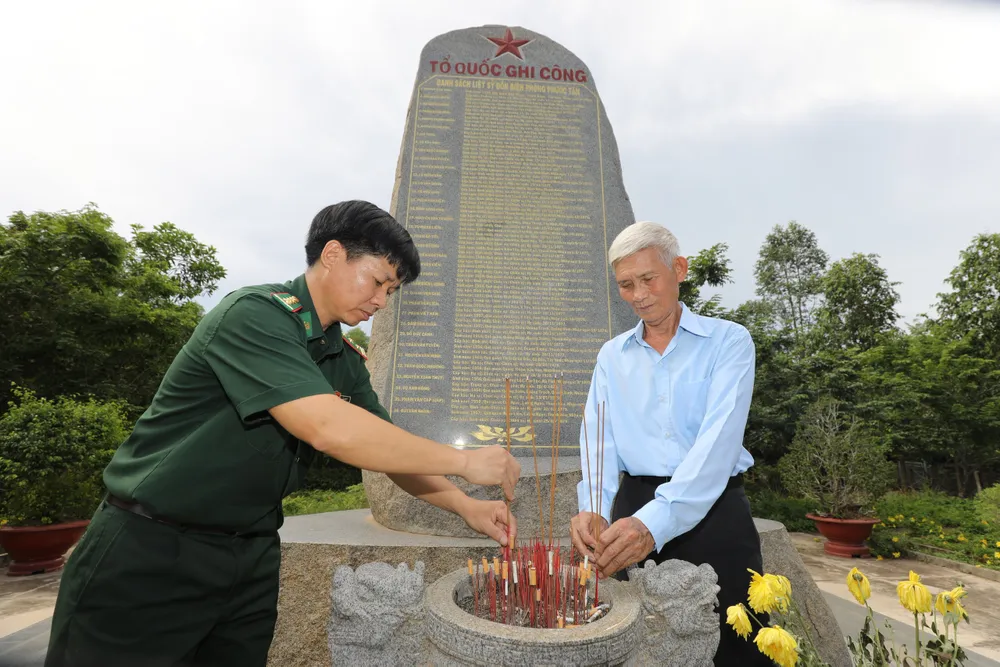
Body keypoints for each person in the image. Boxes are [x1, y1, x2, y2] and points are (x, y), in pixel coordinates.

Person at [45, 200, 520, 667]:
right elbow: (328, 428)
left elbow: (385, 448)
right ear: (332, 254)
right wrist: (463, 460)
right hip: (152, 551)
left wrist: (466, 505)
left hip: (249, 557)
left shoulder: (340, 357)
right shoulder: (255, 316)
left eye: (391, 292)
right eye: (378, 281)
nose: (381, 301)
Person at [569, 220, 769, 666]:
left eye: (647, 279)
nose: (638, 294)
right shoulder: (611, 356)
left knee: (736, 645)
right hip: (631, 511)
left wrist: (654, 523)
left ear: (679, 269)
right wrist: (594, 509)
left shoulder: (728, 342)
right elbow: (599, 440)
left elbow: (717, 446)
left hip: (715, 511)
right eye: (625, 285)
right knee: (639, 646)